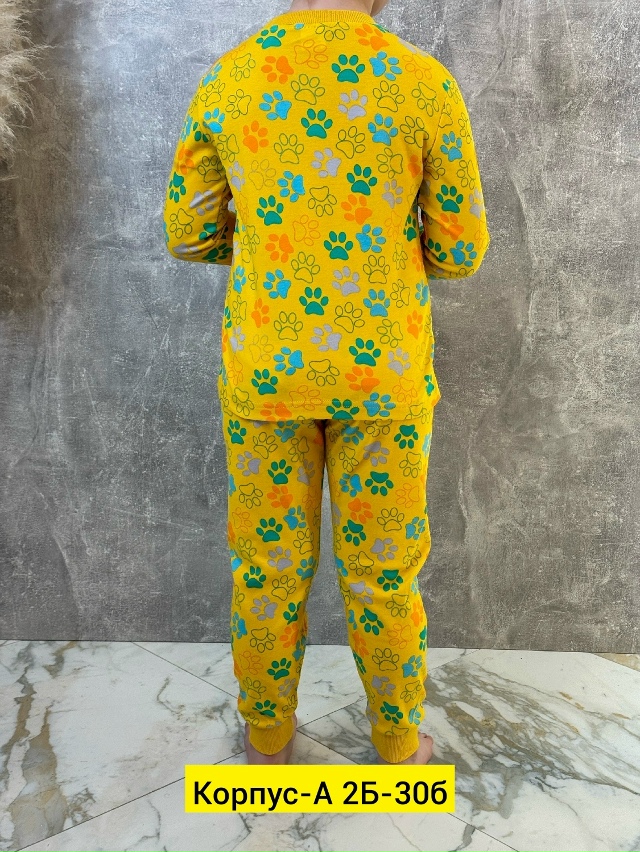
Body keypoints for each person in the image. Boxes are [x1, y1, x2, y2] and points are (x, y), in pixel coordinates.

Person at [163, 0, 490, 765]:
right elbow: (462, 248)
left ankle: (267, 739)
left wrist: (271, 251)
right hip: (383, 375)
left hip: (267, 369)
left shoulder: (231, 79)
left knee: (267, 567)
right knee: (383, 570)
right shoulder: (422, 82)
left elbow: (188, 233)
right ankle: (398, 744)